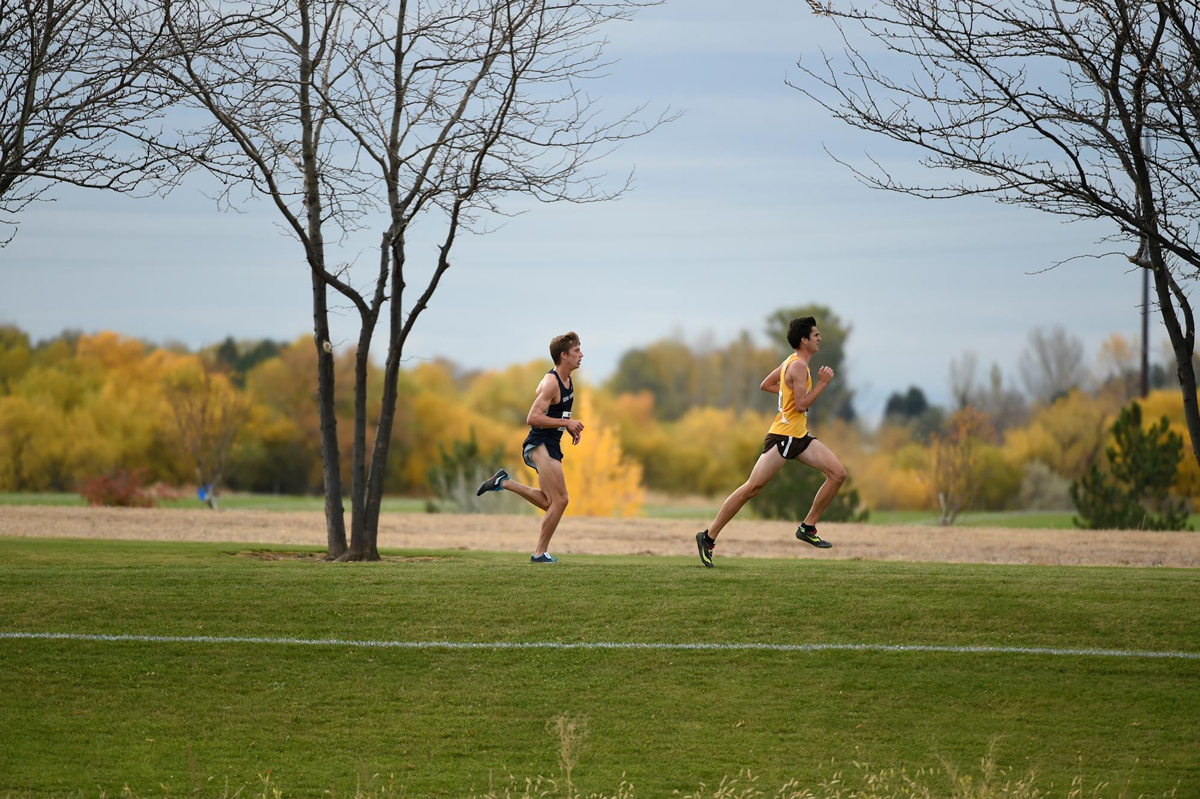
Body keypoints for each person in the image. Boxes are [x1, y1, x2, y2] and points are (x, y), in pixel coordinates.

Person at [695, 316, 847, 568]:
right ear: (804, 340)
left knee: (838, 474)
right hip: (784, 437)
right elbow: (800, 405)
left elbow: (767, 384)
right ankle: (708, 537)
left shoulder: (790, 363)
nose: (819, 338)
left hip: (799, 436)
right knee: (751, 488)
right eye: (816, 334)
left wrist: (788, 391)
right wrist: (821, 385)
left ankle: (808, 527)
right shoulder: (798, 366)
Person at [476, 332, 584, 563]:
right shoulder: (552, 381)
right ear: (563, 355)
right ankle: (539, 554)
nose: (581, 354)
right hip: (539, 443)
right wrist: (566, 423)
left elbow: (552, 408)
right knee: (562, 500)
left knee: (549, 502)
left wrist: (568, 427)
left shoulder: (566, 380)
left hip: (550, 443)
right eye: (576, 351)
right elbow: (533, 417)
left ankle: (503, 482)